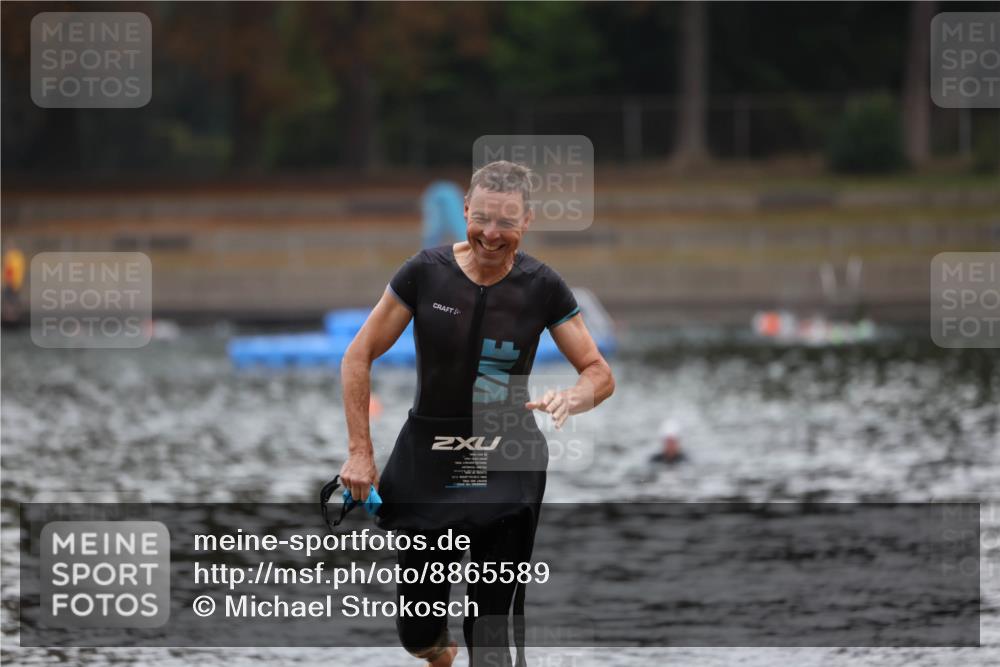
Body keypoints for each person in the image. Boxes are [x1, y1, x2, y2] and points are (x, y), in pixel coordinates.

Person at [339, 160, 615, 667]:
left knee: (490, 634)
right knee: (418, 632)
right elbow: (358, 355)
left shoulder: (543, 287)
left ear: (527, 221)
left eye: (506, 222)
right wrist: (360, 452)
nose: (491, 234)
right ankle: (438, 654)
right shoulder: (425, 273)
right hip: (431, 457)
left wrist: (572, 398)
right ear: (465, 210)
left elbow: (599, 373)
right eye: (482, 218)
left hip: (505, 461)